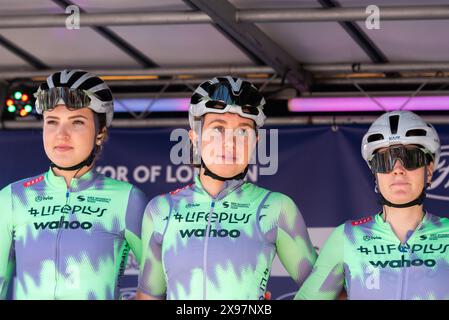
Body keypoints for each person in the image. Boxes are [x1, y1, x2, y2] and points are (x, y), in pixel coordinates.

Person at [136, 76, 317, 300]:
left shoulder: (276, 207)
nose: (230, 142)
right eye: (218, 129)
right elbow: (149, 296)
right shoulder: (161, 209)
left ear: (256, 141)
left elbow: (326, 293)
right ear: (194, 138)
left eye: (242, 131)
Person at [0, 69, 148, 300]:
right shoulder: (11, 198)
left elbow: (159, 286)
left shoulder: (127, 199)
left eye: (77, 122)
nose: (61, 134)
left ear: (100, 133)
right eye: (52, 122)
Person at [296, 110, 449, 300]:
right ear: (374, 173)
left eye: (411, 158)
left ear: (429, 169)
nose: (398, 170)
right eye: (385, 161)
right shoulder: (347, 238)